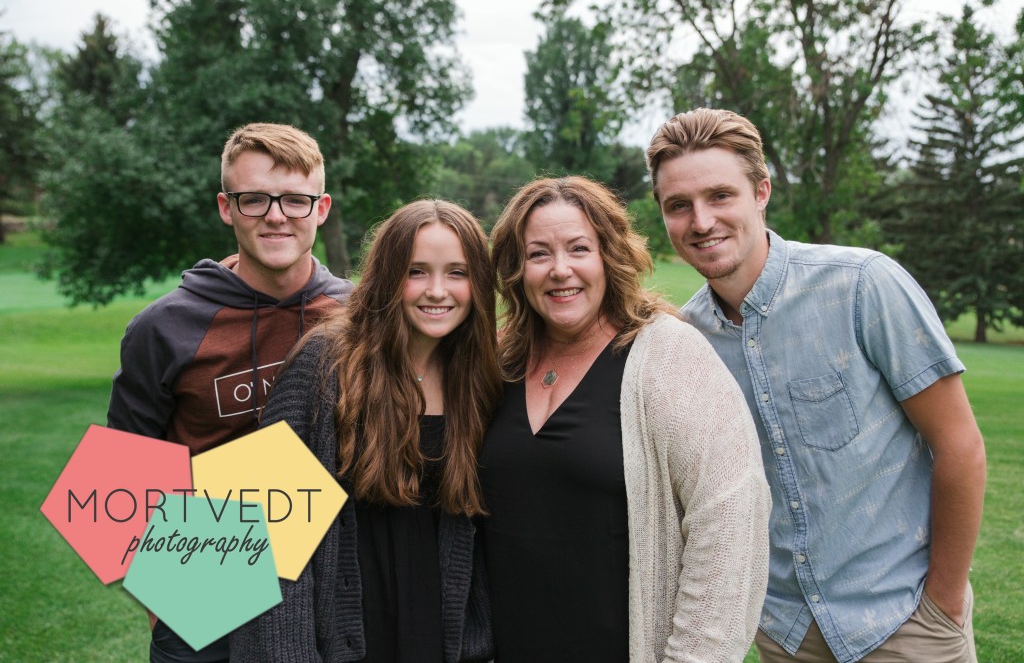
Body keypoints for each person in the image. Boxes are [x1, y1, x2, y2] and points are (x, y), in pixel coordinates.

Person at [646, 108, 987, 662]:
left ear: (761, 192)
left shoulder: (863, 286)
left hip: (903, 620)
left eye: (720, 196)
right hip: (785, 632)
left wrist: (942, 604)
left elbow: (960, 445)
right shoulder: (687, 340)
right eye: (678, 205)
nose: (701, 221)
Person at [481, 176, 771, 662]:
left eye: (579, 249)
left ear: (609, 256)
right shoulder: (499, 361)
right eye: (538, 254)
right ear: (516, 268)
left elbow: (729, 521)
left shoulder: (669, 354)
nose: (560, 270)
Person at [107, 122, 353, 662]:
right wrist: (164, 607)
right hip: (205, 583)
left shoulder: (358, 315)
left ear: (321, 208)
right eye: (254, 199)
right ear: (226, 207)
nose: (276, 215)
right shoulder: (164, 328)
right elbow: (121, 479)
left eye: (295, 199)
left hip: (331, 580)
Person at [229, 200, 502, 662]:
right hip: (344, 635)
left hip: (436, 632)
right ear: (388, 275)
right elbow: (266, 541)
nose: (437, 291)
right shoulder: (322, 366)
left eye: (457, 273)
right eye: (416, 272)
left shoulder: (479, 377)